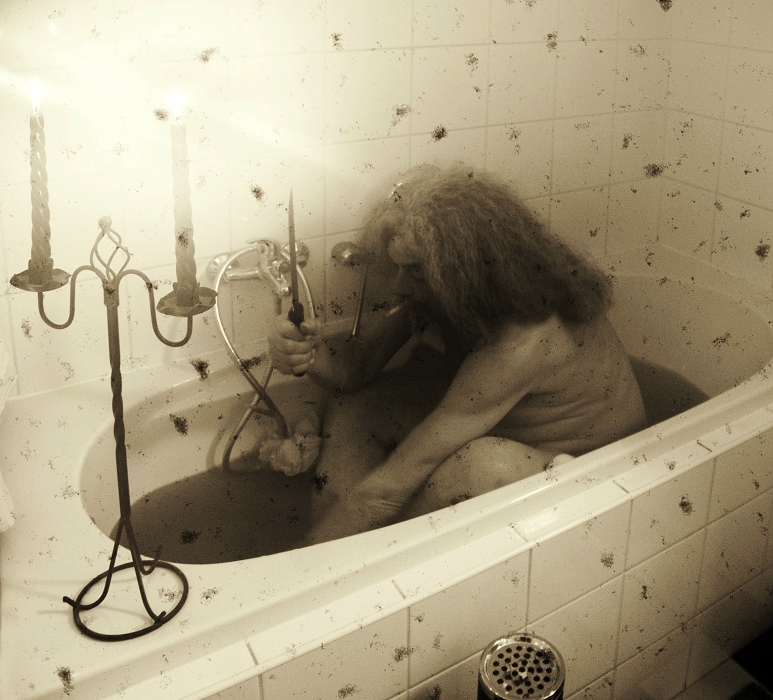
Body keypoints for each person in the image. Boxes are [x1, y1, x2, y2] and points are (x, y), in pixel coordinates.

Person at [268, 164, 647, 544]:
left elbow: (389, 489)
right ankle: (336, 541)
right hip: (501, 434)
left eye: (414, 272)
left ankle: (353, 555)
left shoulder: (525, 339)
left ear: (464, 271)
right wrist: (305, 353)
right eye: (398, 268)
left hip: (599, 476)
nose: (398, 285)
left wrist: (305, 565)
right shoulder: (451, 291)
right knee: (357, 407)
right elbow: (359, 364)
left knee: (477, 466)